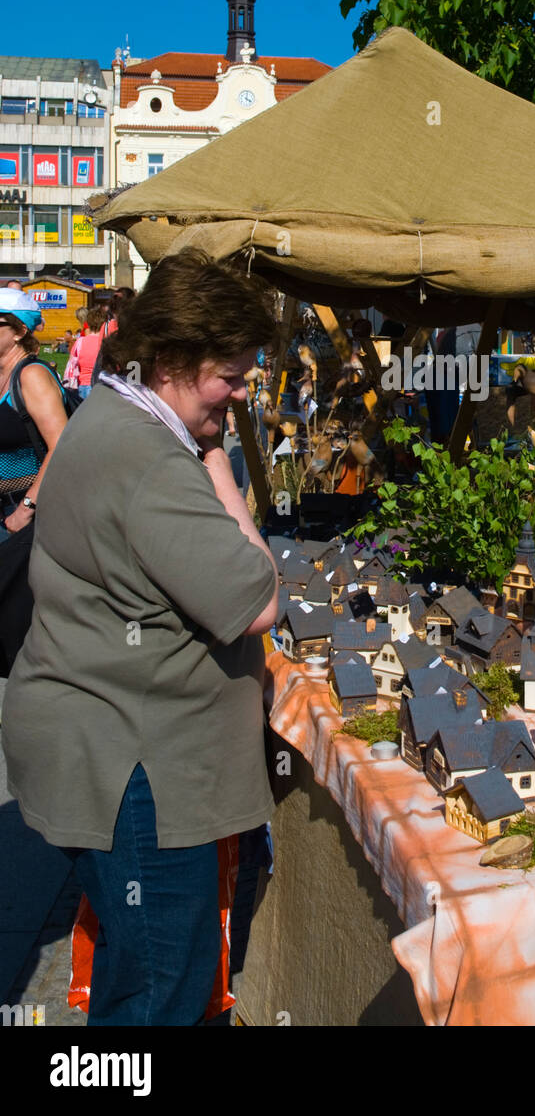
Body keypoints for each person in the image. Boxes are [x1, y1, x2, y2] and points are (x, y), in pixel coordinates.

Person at [2, 249, 280, 1026]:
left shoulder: (109, 416)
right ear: (172, 362)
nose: (242, 388)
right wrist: (218, 462)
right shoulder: (153, 459)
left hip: (106, 743)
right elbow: (256, 595)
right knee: (161, 988)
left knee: (137, 969)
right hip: (137, 762)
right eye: (231, 373)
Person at [0, 288, 70, 673]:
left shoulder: (32, 376)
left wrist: (27, 508)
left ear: (17, 331)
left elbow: (61, 445)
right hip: (6, 513)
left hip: (23, 516)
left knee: (17, 615)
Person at [65, 306, 106, 398]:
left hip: (82, 384)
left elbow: (71, 364)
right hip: (102, 384)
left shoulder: (79, 342)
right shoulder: (106, 343)